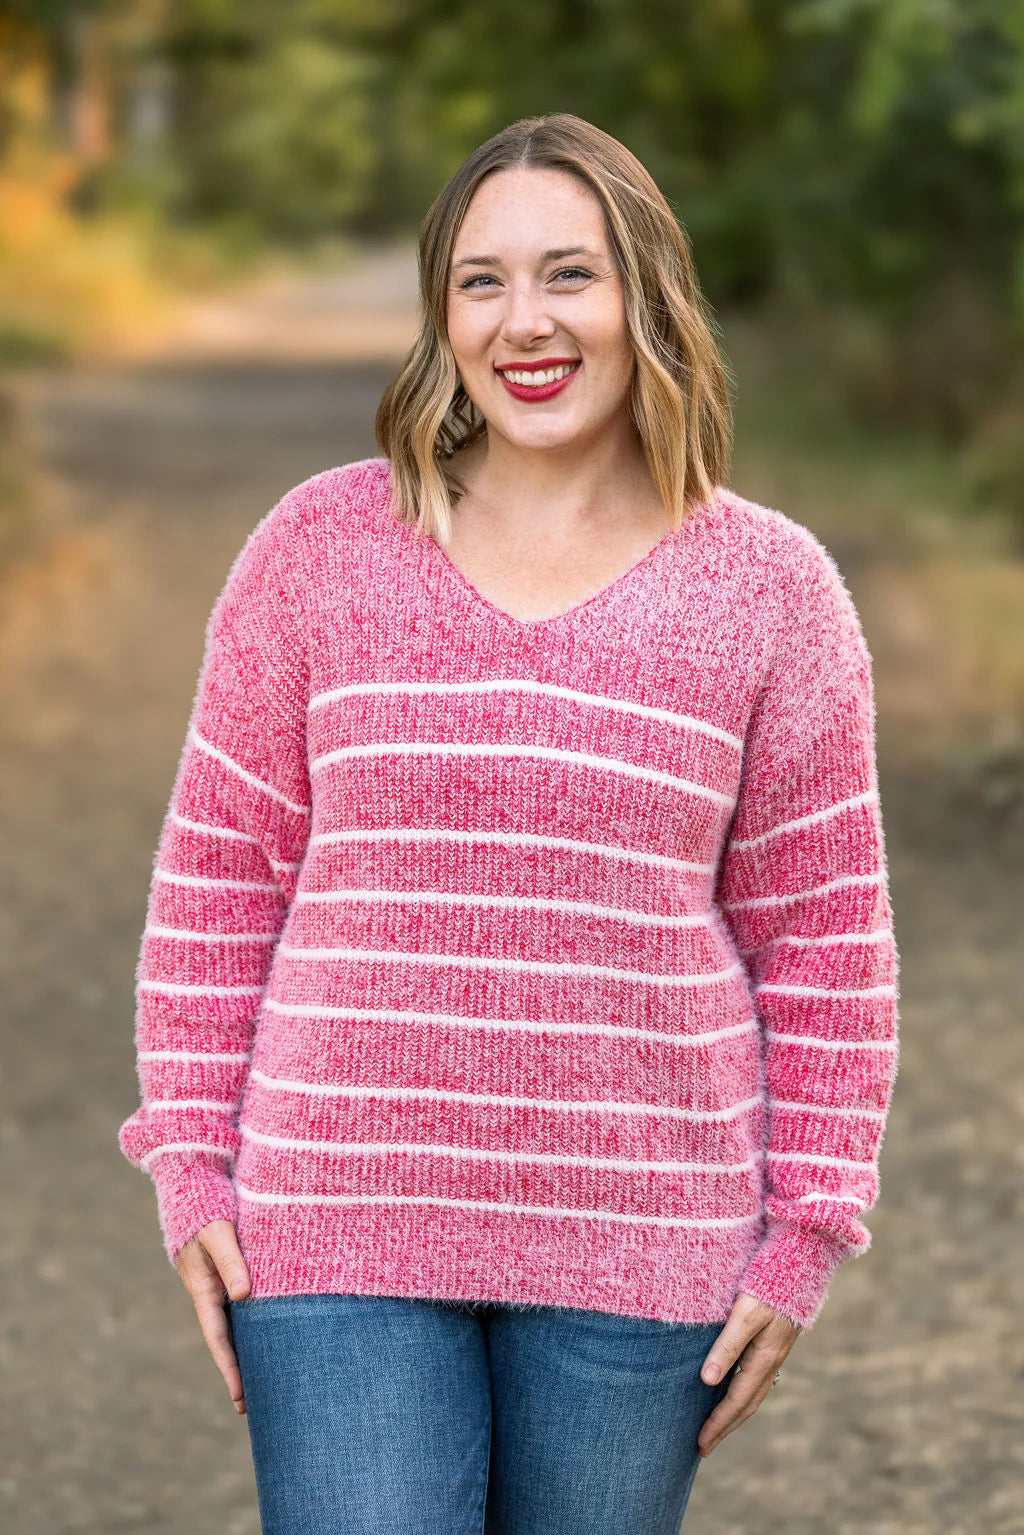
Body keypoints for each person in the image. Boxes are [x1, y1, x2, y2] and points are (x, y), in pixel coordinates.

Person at [118, 113, 900, 1534]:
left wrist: (806, 1234)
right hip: (338, 1217)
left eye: (569, 276)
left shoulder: (771, 591)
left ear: (646, 297)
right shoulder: (321, 548)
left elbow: (826, 939)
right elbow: (219, 878)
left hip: (643, 1242)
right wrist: (189, 1157)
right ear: (441, 314)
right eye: (481, 281)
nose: (524, 323)